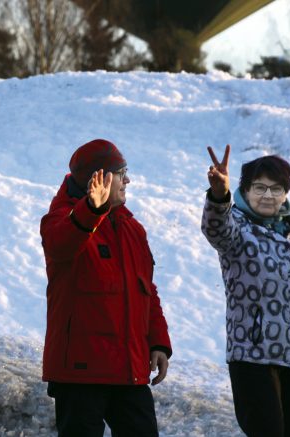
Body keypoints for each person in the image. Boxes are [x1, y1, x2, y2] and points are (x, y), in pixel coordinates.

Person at [40, 139, 173, 437]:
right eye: (121, 172)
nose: (128, 180)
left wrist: (158, 342)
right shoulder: (61, 217)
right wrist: (90, 209)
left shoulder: (131, 228)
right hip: (80, 375)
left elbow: (146, 291)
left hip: (129, 370)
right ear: (98, 179)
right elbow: (61, 243)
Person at [201, 146, 290, 437]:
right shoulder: (237, 228)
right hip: (254, 355)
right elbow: (216, 229)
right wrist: (219, 197)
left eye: (276, 188)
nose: (268, 195)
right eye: (260, 188)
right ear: (245, 189)